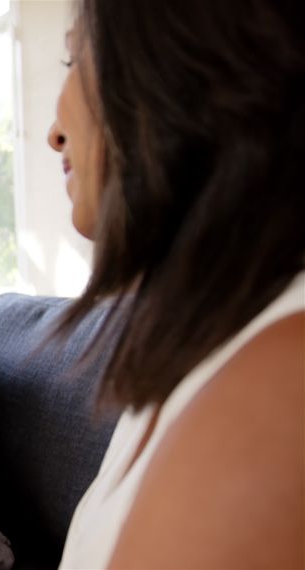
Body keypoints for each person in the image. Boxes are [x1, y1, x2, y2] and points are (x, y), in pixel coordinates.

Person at [47, 0, 304, 567]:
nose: (52, 135)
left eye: (72, 58)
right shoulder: (198, 347)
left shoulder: (275, 395)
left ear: (166, 73)